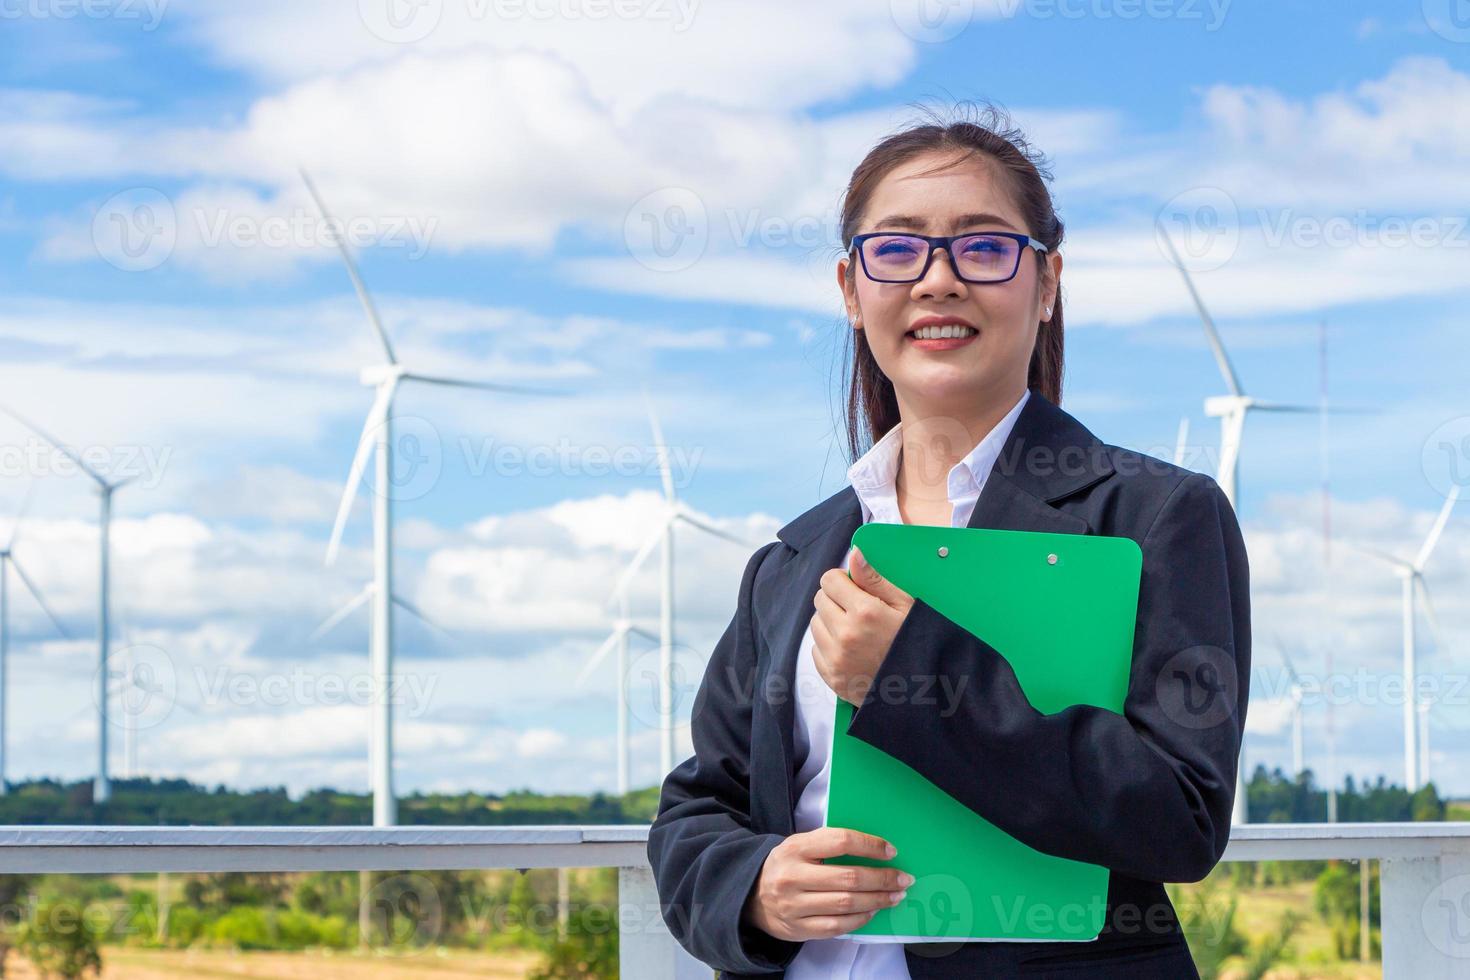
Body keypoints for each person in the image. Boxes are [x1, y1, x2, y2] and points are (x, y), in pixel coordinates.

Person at [646, 102, 1251, 979]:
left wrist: (908, 679)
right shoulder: (788, 562)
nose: (938, 280)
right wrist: (753, 890)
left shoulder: (1157, 517)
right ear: (853, 292)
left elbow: (1179, 818)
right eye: (896, 249)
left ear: (1046, 285)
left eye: (983, 246)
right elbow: (699, 810)